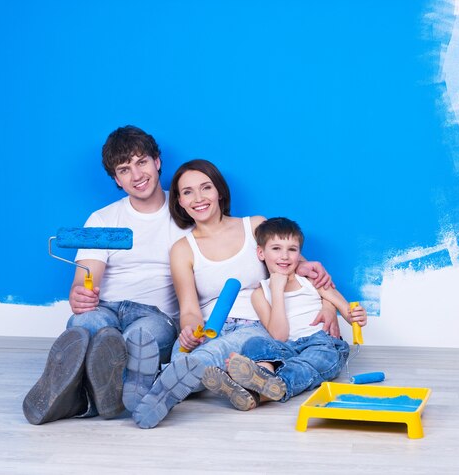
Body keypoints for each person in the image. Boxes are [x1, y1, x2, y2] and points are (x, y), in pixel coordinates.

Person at [131, 160, 339, 429]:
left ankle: (157, 387)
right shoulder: (182, 249)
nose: (199, 198)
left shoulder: (255, 226)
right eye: (188, 192)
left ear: (219, 191)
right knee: (182, 358)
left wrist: (329, 307)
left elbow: (300, 274)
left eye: (206, 188)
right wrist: (190, 330)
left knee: (194, 364)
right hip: (209, 329)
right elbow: (190, 310)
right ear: (180, 201)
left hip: (254, 327)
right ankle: (175, 382)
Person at [23, 125, 186, 424]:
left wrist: (295, 263)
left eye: (141, 162)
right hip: (107, 308)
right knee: (85, 325)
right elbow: (85, 277)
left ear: (157, 161)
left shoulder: (185, 213)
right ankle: (90, 392)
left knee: (139, 339)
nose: (136, 175)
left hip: (155, 315)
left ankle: (80, 397)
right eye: (124, 169)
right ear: (116, 179)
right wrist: (80, 295)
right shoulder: (103, 219)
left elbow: (228, 237)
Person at [202, 217, 367, 410]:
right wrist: (277, 290)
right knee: (255, 344)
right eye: (276, 248)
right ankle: (261, 384)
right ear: (261, 253)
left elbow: (346, 309)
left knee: (319, 358)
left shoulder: (311, 279)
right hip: (287, 348)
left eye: (292, 249)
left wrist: (355, 316)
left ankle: (259, 390)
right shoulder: (260, 293)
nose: (285, 256)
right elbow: (279, 336)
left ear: (299, 254)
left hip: (322, 342)